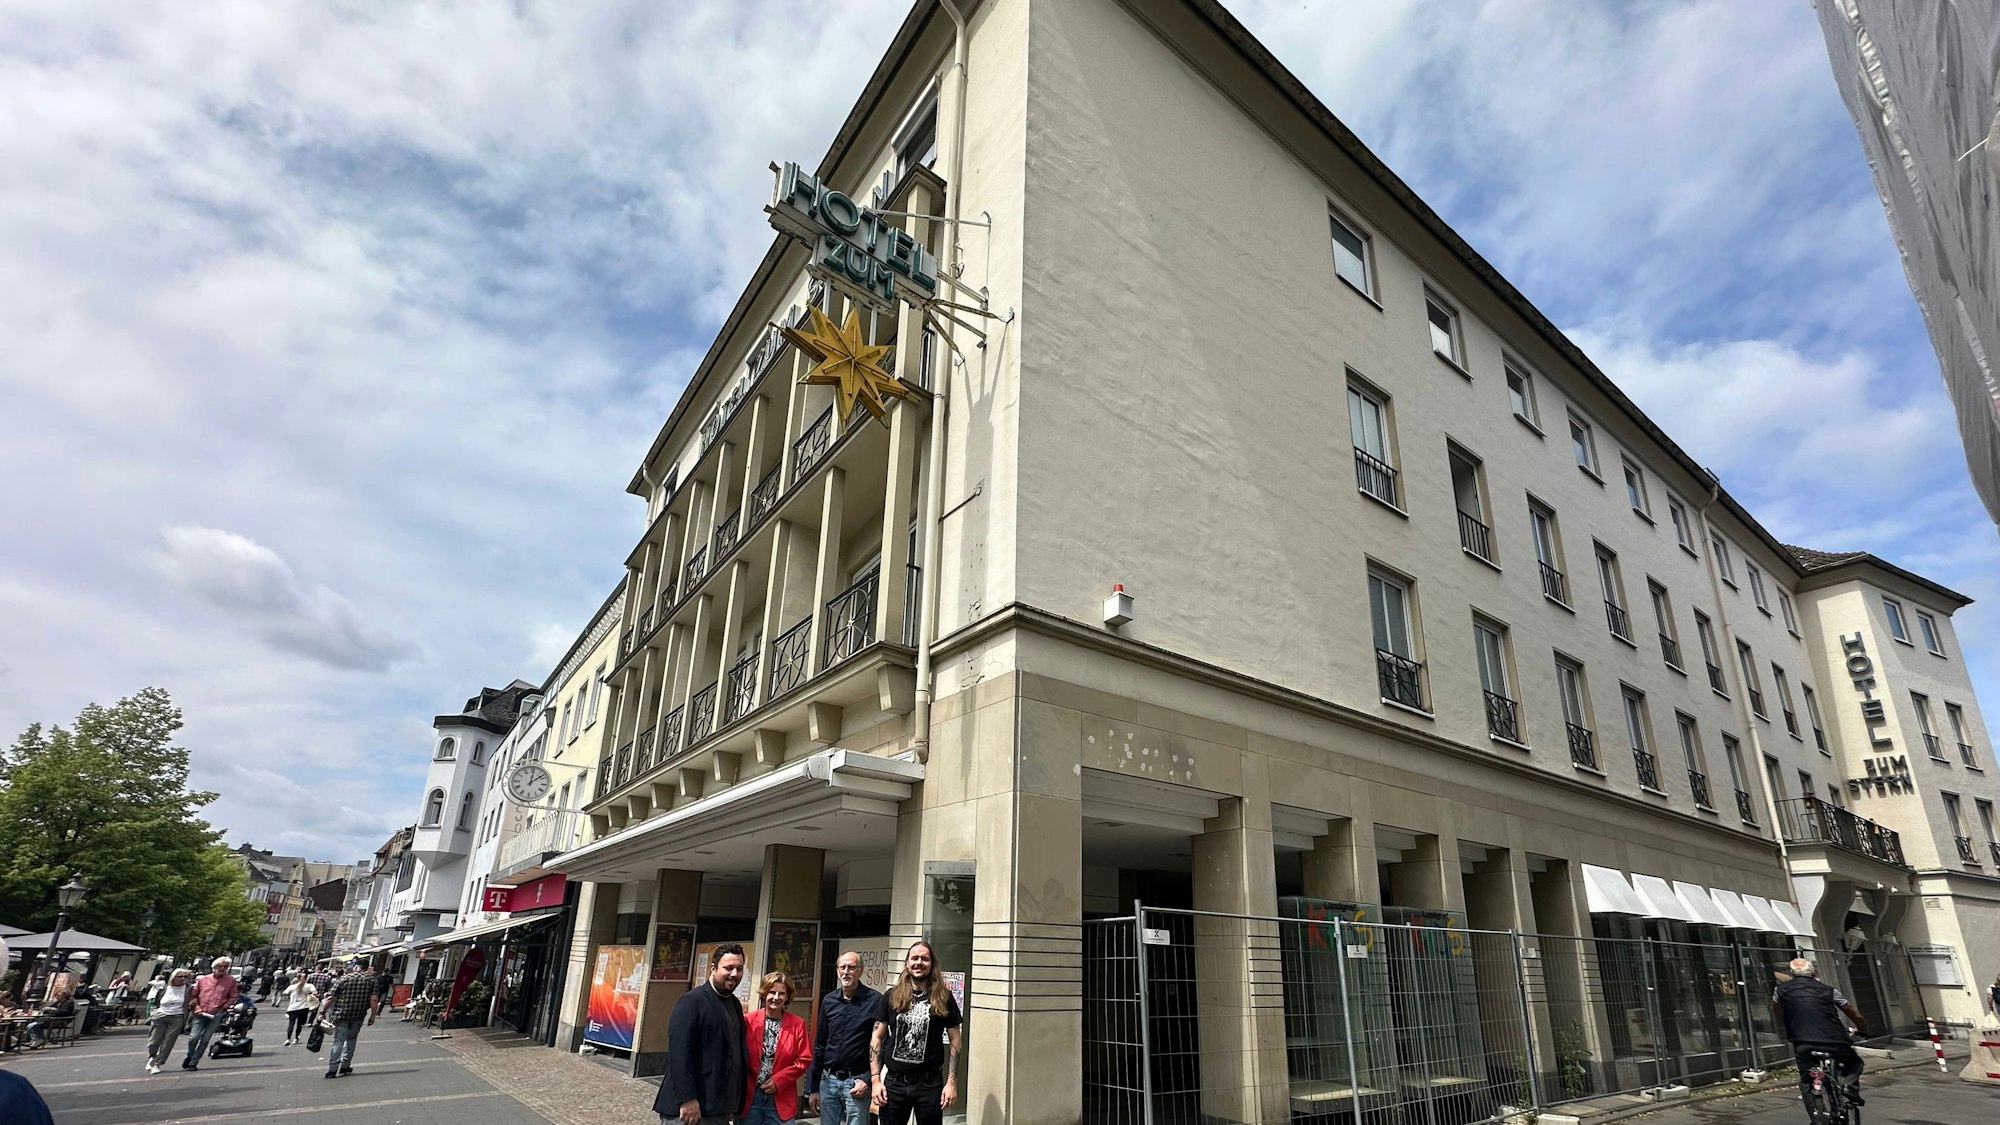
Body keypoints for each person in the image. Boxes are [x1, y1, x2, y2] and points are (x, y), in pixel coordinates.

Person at [870, 941, 962, 1125]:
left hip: (929, 1084)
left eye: (924, 959)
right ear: (907, 963)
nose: (919, 962)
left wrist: (951, 1082)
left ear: (932, 964)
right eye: (915, 958)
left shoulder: (943, 997)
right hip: (895, 1083)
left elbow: (955, 1040)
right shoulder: (891, 996)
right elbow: (877, 1038)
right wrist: (875, 1080)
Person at [658, 943, 748, 1125]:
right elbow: (679, 1054)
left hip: (718, 1108)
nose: (734, 974)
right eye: (728, 968)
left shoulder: (735, 1004)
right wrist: (687, 1098)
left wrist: (731, 1104)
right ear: (713, 968)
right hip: (692, 1110)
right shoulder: (691, 1001)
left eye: (739, 969)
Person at [1773, 957, 1867, 1108]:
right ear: (1813, 972)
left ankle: (1816, 1114)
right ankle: (1849, 1086)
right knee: (1854, 1062)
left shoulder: (1781, 990)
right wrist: (1861, 1027)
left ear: (1792, 973)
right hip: (1834, 1040)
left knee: (1806, 1080)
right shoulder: (1828, 990)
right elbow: (1850, 1010)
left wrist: (1789, 1020)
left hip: (1802, 1040)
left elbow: (1777, 1009)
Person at [808, 952, 879, 1125]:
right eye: (842, 967)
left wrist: (869, 1080)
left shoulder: (875, 1000)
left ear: (860, 971)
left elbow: (881, 1045)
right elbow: (820, 1044)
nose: (846, 971)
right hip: (828, 1081)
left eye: (851, 967)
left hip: (857, 1082)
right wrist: (814, 1087)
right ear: (837, 971)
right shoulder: (829, 1000)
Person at [742, 973, 812, 1125]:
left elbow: (804, 1059)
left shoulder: (797, 1024)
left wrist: (779, 1081)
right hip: (750, 1097)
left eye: (782, 993)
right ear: (764, 993)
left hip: (781, 1097)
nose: (776, 997)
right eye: (772, 992)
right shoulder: (748, 1020)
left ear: (787, 997)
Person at [318, 962, 380, 1078]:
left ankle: (332, 1069)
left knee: (338, 1041)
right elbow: (374, 999)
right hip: (358, 1014)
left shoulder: (344, 978)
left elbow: (331, 997)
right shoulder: (372, 980)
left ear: (356, 967)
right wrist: (373, 1015)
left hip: (341, 1014)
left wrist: (322, 1011)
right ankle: (345, 1066)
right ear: (367, 968)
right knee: (351, 1039)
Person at [181, 957, 240, 1070]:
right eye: (220, 966)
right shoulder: (203, 980)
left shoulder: (231, 981)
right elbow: (193, 996)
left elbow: (233, 996)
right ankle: (189, 1056)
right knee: (194, 1037)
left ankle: (194, 1062)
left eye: (225, 966)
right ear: (214, 967)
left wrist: (225, 1007)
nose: (222, 968)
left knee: (205, 1039)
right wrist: (196, 1007)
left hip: (216, 1013)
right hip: (200, 1012)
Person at [144, 969, 194, 1074]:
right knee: (153, 1042)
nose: (183, 979)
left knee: (168, 1042)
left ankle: (158, 1063)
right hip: (160, 1016)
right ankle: (152, 1056)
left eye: (185, 977)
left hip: (177, 1017)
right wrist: (153, 1013)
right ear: (173, 977)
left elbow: (192, 1000)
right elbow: (154, 1002)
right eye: (180, 977)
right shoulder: (164, 989)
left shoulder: (188, 989)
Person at [280, 971, 317, 1046]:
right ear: (307, 978)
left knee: (291, 1023)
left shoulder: (292, 986)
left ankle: (288, 1039)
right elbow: (315, 993)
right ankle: (296, 1038)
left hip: (292, 1007)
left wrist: (289, 997)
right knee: (299, 1024)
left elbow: (284, 993)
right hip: (303, 1007)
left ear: (298, 978)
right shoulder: (309, 986)